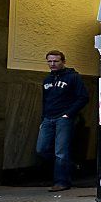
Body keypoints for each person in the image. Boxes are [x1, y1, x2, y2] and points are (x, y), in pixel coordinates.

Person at [37, 50, 89, 191]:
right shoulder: (47, 79)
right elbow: (44, 101)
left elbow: (83, 97)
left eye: (56, 61)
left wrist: (68, 114)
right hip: (48, 118)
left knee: (61, 151)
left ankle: (61, 182)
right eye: (49, 61)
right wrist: (43, 118)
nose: (52, 64)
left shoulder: (73, 77)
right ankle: (69, 167)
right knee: (41, 149)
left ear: (63, 61)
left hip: (64, 118)